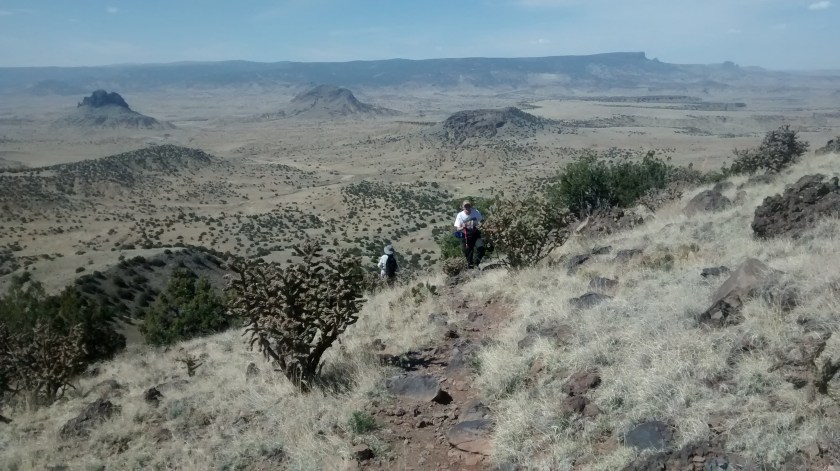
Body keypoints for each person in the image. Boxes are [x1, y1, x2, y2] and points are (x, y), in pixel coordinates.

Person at [453, 200, 485, 268]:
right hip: (466, 237)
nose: (467, 207)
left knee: (481, 249)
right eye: (465, 206)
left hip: (476, 234)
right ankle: (471, 268)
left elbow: (481, 221)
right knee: (468, 254)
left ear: (471, 206)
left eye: (468, 205)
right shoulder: (460, 215)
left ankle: (476, 264)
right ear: (462, 207)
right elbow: (457, 228)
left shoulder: (476, 212)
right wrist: (463, 226)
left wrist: (480, 225)